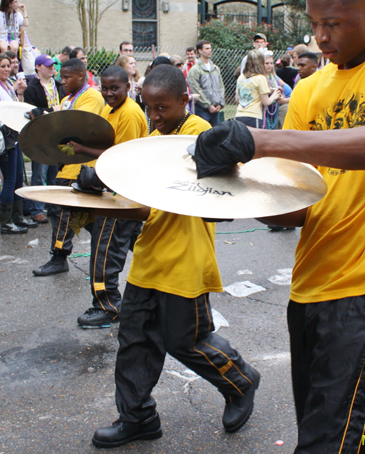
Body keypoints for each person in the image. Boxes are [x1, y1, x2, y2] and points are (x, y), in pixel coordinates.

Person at [193, 0, 365, 453]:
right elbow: (295, 207)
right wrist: (223, 193)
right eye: (314, 25)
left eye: (333, 23)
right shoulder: (310, 90)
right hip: (310, 287)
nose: (321, 39)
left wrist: (258, 141)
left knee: (329, 443)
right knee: (352, 436)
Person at [90, 65, 260, 448]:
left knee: (187, 340)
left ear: (185, 100)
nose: (154, 117)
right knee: (135, 342)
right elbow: (143, 201)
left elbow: (191, 198)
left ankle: (241, 381)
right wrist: (101, 185)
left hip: (186, 257)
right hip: (150, 257)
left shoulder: (202, 134)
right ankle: (137, 418)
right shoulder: (156, 135)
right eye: (149, 108)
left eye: (162, 108)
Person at [63, 65, 147, 328]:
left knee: (105, 252)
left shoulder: (130, 114)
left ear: (128, 87)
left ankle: (107, 306)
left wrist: (85, 158)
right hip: (116, 192)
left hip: (121, 197)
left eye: (115, 88)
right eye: (105, 87)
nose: (109, 93)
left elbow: (120, 158)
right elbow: (109, 148)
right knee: (139, 245)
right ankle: (157, 293)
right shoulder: (112, 110)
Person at [34, 58, 105, 277]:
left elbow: (76, 127)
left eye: (66, 77)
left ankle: (59, 257)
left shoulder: (91, 96)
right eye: (60, 77)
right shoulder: (68, 98)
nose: (61, 81)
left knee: (62, 212)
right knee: (85, 216)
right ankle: (109, 247)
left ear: (80, 76)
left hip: (81, 166)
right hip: (69, 165)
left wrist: (48, 119)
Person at [0, 53, 33, 234]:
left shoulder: (7, 85)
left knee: (18, 178)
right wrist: (3, 119)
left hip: (15, 137)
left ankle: (18, 217)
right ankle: (6, 221)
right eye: (2, 66)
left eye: (8, 65)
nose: (6, 69)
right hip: (5, 139)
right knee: (10, 180)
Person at [20, 54, 65, 224]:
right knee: (39, 174)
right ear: (38, 67)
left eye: (53, 65)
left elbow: (65, 105)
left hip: (57, 134)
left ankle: (54, 207)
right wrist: (52, 109)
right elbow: (32, 111)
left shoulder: (59, 85)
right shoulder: (32, 89)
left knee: (55, 174)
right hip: (40, 136)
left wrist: (50, 110)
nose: (52, 68)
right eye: (48, 65)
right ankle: (37, 209)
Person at [234, 49, 274, 129]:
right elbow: (266, 102)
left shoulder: (241, 77)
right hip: (253, 116)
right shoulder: (260, 78)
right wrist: (275, 96)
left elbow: (237, 99)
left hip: (239, 116)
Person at [188, 40, 225, 126]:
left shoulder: (215, 68)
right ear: (200, 51)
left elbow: (221, 86)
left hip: (215, 109)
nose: (210, 51)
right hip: (202, 110)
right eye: (207, 48)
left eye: (210, 48)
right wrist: (208, 105)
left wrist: (220, 103)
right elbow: (195, 89)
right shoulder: (195, 70)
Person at [264, 51, 291, 129]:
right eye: (267, 63)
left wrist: (280, 93)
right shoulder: (260, 78)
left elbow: (282, 95)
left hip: (276, 107)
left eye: (271, 63)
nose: (270, 65)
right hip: (267, 110)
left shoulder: (273, 77)